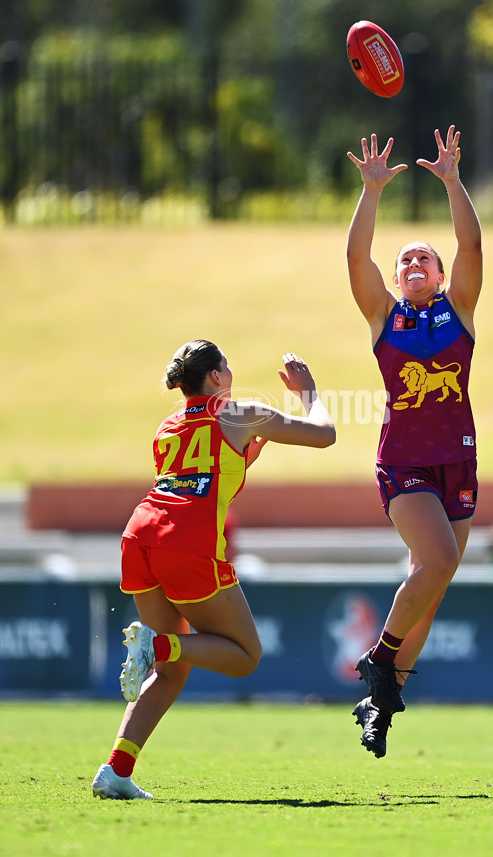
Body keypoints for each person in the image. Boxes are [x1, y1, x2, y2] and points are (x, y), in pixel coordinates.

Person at [92, 340, 335, 799]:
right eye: (227, 366)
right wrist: (309, 392)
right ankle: (156, 643)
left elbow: (193, 480)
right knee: (245, 655)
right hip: (186, 545)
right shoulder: (240, 413)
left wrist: (241, 459)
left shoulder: (167, 425)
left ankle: (116, 771)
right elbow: (324, 435)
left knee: (171, 668)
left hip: (140, 534)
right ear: (218, 377)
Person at [346, 126, 483, 758]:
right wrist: (371, 191)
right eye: (405, 260)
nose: (412, 264)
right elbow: (357, 259)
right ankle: (379, 664)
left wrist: (453, 182)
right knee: (438, 563)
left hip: (457, 459)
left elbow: (471, 240)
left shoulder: (458, 310)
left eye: (423, 258)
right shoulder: (385, 318)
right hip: (404, 463)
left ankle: (381, 704)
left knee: (429, 587)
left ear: (439, 272)